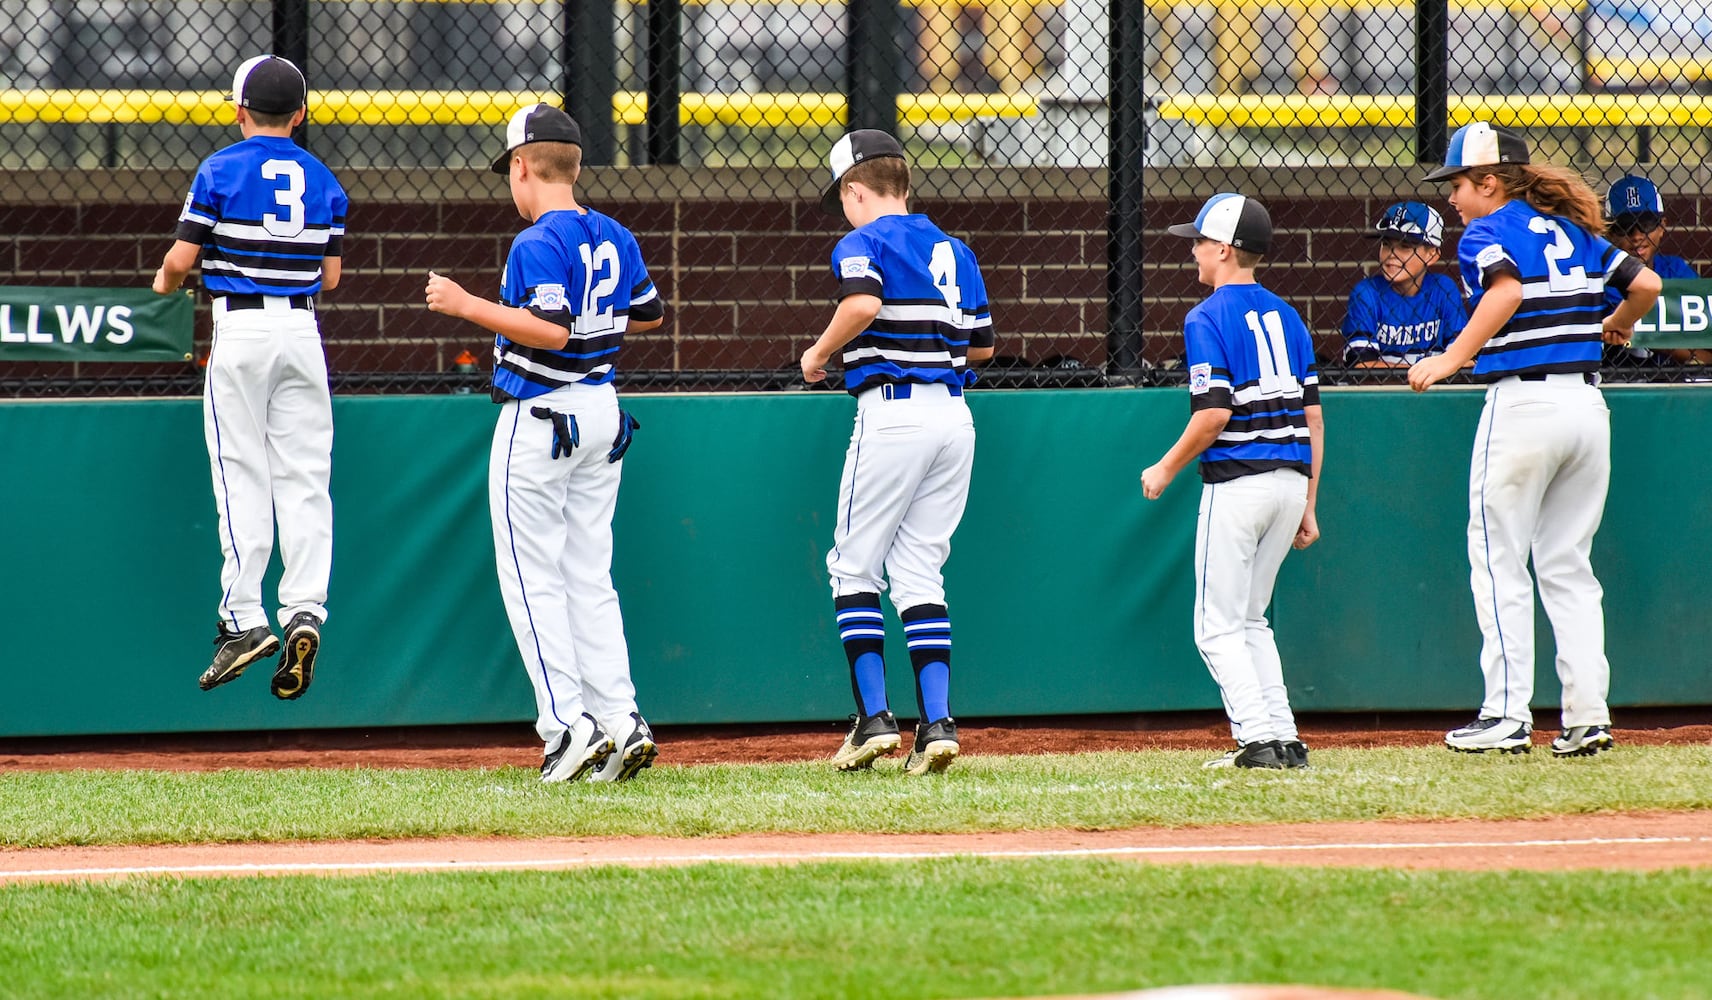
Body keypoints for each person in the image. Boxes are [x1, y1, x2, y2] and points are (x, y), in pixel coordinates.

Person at [424, 104, 664, 784]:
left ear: (524, 165)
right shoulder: (614, 233)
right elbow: (648, 314)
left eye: (511, 170)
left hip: (542, 416)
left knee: (533, 578)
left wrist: (467, 305)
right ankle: (622, 722)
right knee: (588, 576)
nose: (512, 181)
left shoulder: (536, 241)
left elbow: (551, 328)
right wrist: (596, 324)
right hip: (601, 413)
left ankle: (568, 730)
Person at [1409, 122, 1662, 757]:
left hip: (1522, 401)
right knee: (1568, 564)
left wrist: (1451, 358)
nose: (1453, 198)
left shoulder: (1488, 230)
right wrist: (1617, 326)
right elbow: (1647, 287)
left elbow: (1508, 290)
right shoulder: (1576, 231)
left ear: (1490, 183)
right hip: (1585, 403)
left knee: (1498, 559)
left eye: (1459, 184)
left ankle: (1505, 715)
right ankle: (1587, 717)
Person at [799, 129, 994, 776]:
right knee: (919, 570)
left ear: (857, 190)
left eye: (844, 198)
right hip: (953, 416)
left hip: (894, 413)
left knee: (853, 568)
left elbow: (862, 302)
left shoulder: (863, 240)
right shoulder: (956, 249)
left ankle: (876, 719)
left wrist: (820, 354)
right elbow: (982, 347)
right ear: (905, 186)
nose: (844, 211)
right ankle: (936, 723)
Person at [152, 55, 345, 701]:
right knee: (306, 477)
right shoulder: (324, 179)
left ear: (238, 111)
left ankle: (244, 619)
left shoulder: (219, 168)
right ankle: (305, 612)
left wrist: (166, 284)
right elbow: (333, 276)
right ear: (301, 114)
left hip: (242, 329)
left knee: (242, 470)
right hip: (303, 333)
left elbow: (181, 259)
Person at [1141, 193, 1323, 770]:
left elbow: (1214, 413)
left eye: (1198, 242)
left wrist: (1166, 467)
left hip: (1240, 483)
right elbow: (1313, 416)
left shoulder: (1207, 315)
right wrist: (1309, 504)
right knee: (1250, 618)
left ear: (1223, 249)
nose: (1192, 251)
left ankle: (1256, 741)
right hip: (1291, 479)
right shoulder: (1289, 314)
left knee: (1216, 627)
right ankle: (1284, 738)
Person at [1340, 201, 1469, 368]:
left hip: (1433, 391)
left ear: (1431, 255)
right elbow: (1362, 365)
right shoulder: (1367, 293)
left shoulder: (1443, 290)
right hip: (1380, 393)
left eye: (1405, 246)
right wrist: (1431, 371)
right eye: (1386, 244)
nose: (1392, 254)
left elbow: (1464, 360)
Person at [1602, 174, 1707, 366]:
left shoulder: (1675, 270)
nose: (1637, 236)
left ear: (1662, 227)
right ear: (1609, 232)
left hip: (1673, 379)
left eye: (1647, 225)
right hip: (1615, 375)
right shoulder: (1603, 279)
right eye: (1625, 227)